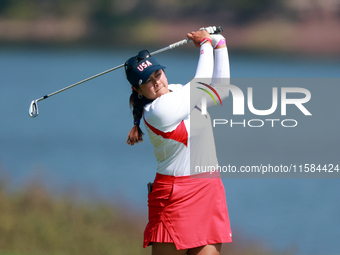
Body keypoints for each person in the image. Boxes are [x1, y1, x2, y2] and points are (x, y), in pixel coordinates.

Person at [124, 27, 232, 255]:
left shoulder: (178, 92)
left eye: (157, 74)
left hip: (207, 188)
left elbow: (220, 90)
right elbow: (201, 84)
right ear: (137, 89)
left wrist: (219, 44)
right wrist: (204, 45)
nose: (157, 82)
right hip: (175, 196)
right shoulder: (157, 111)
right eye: (148, 81)